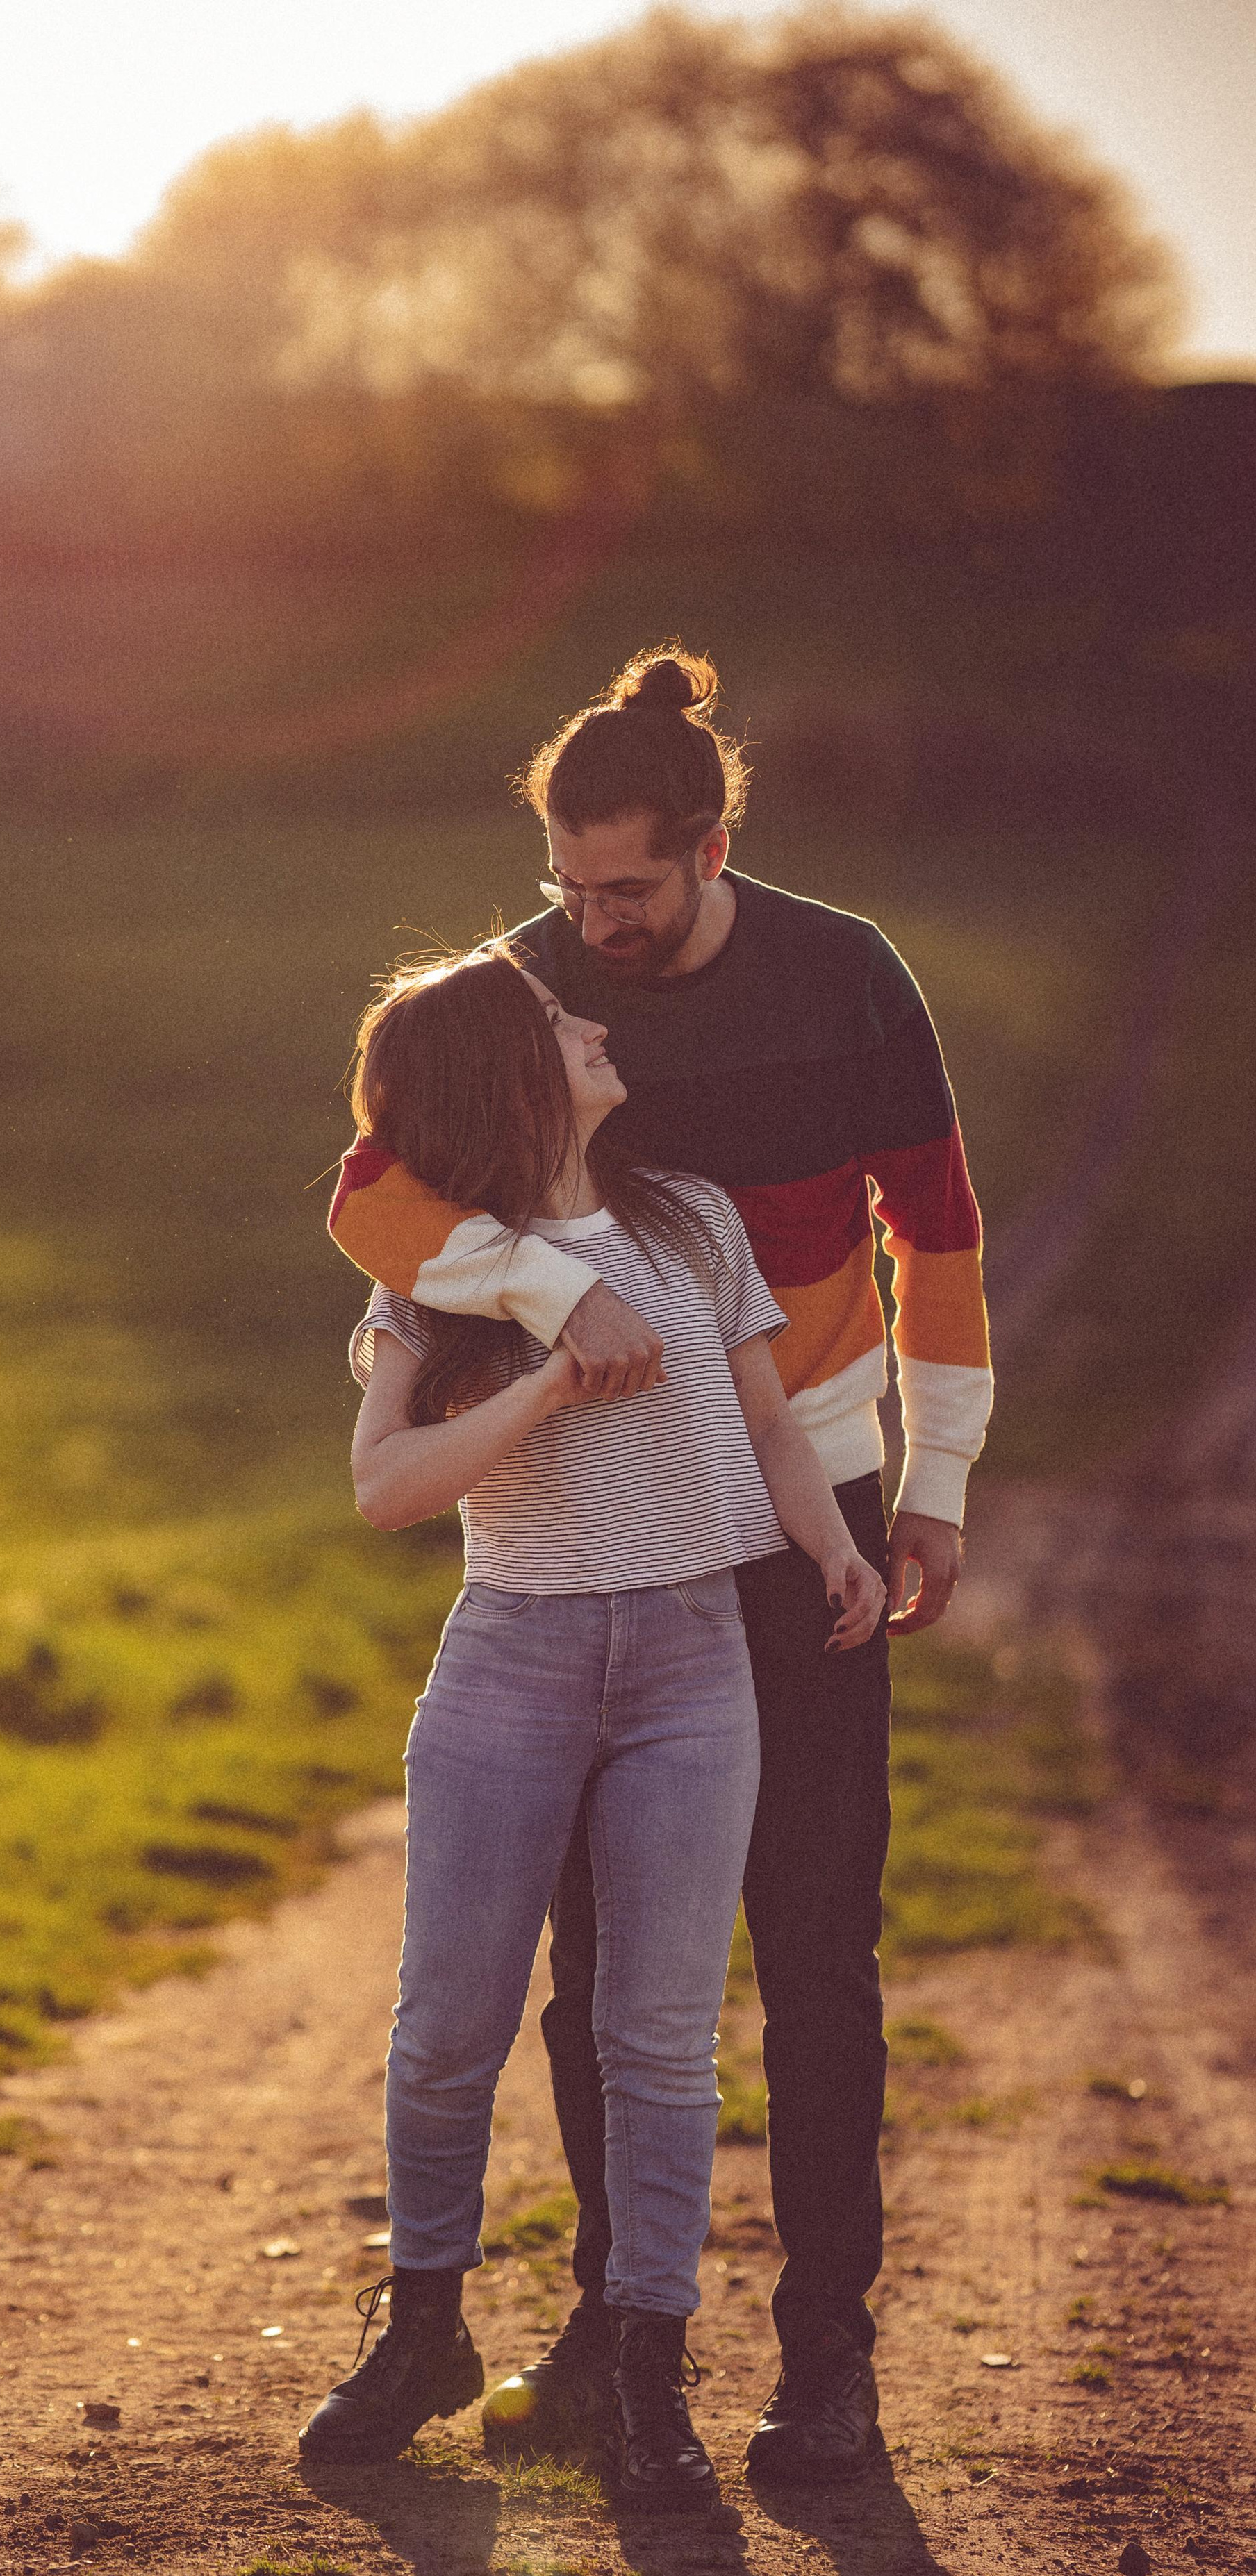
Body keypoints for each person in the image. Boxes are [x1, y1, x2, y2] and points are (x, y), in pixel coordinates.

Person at [327, 645, 992, 2482]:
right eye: (563, 883)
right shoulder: (537, 990)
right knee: (604, 1960)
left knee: (816, 1940)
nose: (582, 923)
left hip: (813, 1487)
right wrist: (561, 1290)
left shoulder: (850, 977)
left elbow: (936, 1234)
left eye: (624, 886)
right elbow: (375, 1198)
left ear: (713, 847)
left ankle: (825, 2363)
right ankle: (630, 2342)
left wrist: (932, 1485)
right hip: (601, 1530)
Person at [298, 945, 886, 2500]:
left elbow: (766, 1416)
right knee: (447, 2035)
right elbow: (383, 1490)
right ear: (507, 1073)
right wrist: (550, 1385)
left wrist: (831, 1544)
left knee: (656, 2045)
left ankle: (646, 2382)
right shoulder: (438, 1267)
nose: (595, 1025)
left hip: (698, 1665)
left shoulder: (687, 1216)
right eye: (561, 1024)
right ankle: (421, 2327)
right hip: (516, 1663)